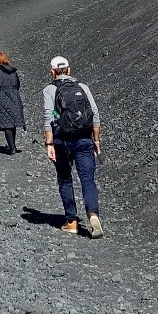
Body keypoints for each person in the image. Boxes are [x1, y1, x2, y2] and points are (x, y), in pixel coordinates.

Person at [43, 55, 102, 237]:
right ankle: (93, 215)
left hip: (61, 141)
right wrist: (96, 141)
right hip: (84, 138)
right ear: (68, 70)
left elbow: (48, 117)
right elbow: (95, 114)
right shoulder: (82, 87)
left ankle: (71, 221)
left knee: (65, 179)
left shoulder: (49, 90)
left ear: (53, 72)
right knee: (87, 179)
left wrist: (49, 143)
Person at [0, 50, 27, 153]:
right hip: (14, 97)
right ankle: (13, 145)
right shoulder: (13, 72)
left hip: (1, 98)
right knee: (12, 122)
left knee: (6, 123)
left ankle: (11, 147)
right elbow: (17, 84)